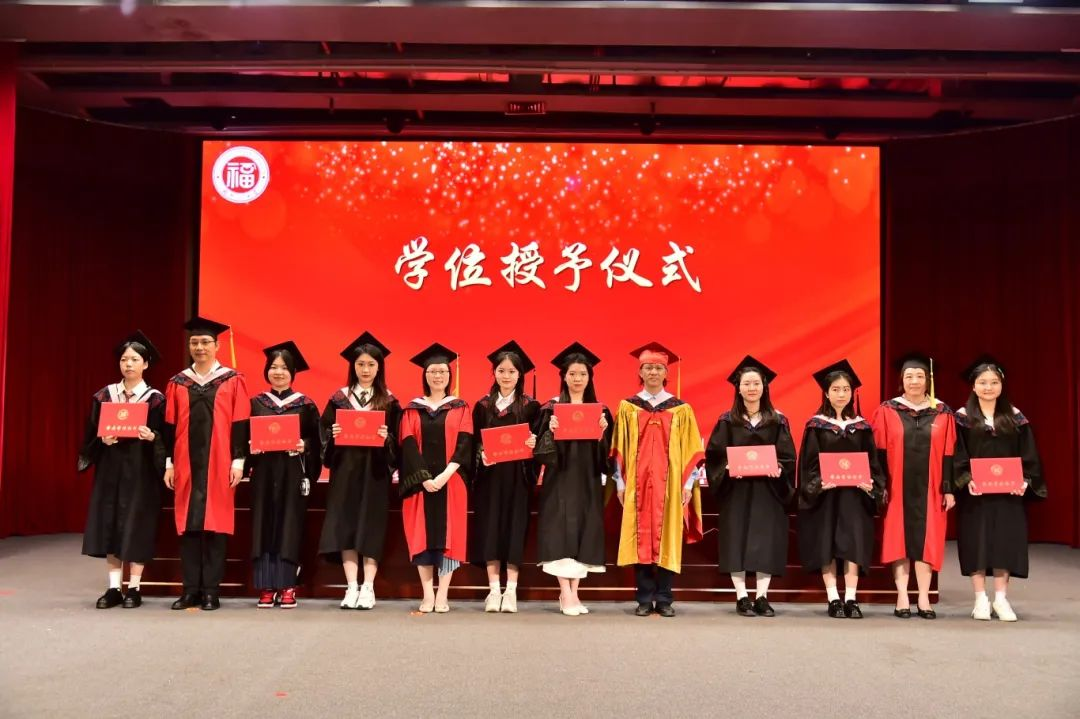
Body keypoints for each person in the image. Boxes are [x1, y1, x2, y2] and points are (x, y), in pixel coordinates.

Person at [610, 342, 704, 618]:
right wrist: (620, 483)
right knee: (639, 538)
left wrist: (687, 485)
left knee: (667, 538)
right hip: (636, 485)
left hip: (670, 486)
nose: (653, 372)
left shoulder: (681, 409)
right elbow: (617, 449)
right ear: (640, 372)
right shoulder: (628, 407)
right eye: (648, 367)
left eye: (658, 368)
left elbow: (692, 450)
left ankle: (664, 598)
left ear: (666, 373)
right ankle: (643, 598)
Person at [162, 316, 250, 611]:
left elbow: (240, 422)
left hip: (220, 462)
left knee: (216, 524)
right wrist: (169, 463)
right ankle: (190, 590)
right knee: (188, 527)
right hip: (185, 462)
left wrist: (239, 460)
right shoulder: (178, 382)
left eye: (205, 342)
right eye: (194, 342)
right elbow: (169, 425)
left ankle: (211, 590)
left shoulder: (232, 380)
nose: (199, 347)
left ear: (217, 346)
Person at [77, 330, 166, 609]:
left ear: (146, 364)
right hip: (111, 468)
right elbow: (89, 436)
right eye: (124, 359)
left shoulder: (156, 399)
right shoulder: (105, 396)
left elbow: (166, 437)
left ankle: (134, 588)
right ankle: (114, 587)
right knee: (111, 522)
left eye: (135, 359)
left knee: (137, 523)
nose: (128, 364)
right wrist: (101, 440)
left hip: (141, 470)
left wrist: (153, 437)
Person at [953, 355, 1045, 622]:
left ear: (1002, 385)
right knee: (977, 543)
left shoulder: (1015, 417)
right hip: (976, 494)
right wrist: (966, 479)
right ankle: (980, 599)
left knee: (1006, 542)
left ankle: (1001, 599)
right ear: (973, 386)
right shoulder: (962, 418)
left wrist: (1025, 480)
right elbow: (957, 455)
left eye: (994, 382)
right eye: (983, 382)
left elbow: (1029, 454)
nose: (988, 387)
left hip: (1008, 494)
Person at [705, 355, 796, 618]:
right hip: (737, 490)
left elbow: (788, 457)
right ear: (738, 388)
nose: (752, 388)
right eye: (746, 384)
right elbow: (714, 455)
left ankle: (762, 597)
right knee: (737, 539)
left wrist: (779, 469)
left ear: (764, 387)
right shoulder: (727, 420)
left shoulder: (777, 420)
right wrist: (726, 468)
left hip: (768, 490)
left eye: (756, 383)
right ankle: (742, 596)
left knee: (766, 541)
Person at [318, 332, 401, 610]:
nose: (365, 370)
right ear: (353, 366)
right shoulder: (339, 399)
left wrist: (387, 438)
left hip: (375, 474)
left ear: (379, 368)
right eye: (360, 364)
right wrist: (333, 435)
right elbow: (324, 438)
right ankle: (352, 585)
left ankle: (368, 587)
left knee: (371, 527)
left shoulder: (389, 401)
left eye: (371, 365)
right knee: (346, 526)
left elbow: (398, 443)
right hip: (345, 473)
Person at [796, 359, 885, 619]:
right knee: (827, 544)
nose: (841, 394)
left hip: (854, 496)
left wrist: (871, 484)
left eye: (846, 389)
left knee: (853, 544)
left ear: (852, 392)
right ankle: (833, 597)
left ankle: (851, 598)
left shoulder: (862, 427)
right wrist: (818, 483)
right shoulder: (816, 425)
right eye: (835, 389)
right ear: (826, 393)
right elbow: (808, 464)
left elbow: (873, 463)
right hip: (826, 496)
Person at [871, 352, 956, 619]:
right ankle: (902, 596)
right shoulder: (888, 411)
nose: (915, 381)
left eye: (920, 376)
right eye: (909, 376)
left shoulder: (943, 412)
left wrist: (949, 487)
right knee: (899, 540)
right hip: (897, 488)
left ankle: (924, 597)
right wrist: (881, 485)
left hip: (932, 489)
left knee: (927, 541)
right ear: (902, 380)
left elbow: (950, 453)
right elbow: (878, 452)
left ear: (928, 381)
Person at [533, 343, 612, 616]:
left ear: (590, 378)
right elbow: (538, 451)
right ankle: (564, 593)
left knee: (583, 533)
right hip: (559, 479)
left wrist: (602, 434)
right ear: (564, 376)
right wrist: (549, 431)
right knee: (559, 533)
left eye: (582, 374)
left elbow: (606, 457)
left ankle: (574, 593)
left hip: (587, 479)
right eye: (572, 374)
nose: (577, 379)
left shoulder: (600, 411)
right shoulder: (550, 409)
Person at [398, 343, 473, 613]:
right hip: (421, 484)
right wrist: (425, 478)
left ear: (449, 375)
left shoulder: (461, 407)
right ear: (425, 375)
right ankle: (427, 594)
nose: (438, 376)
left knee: (450, 537)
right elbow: (407, 444)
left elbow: (465, 443)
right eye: (433, 371)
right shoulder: (411, 409)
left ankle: (443, 594)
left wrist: (445, 475)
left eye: (442, 371)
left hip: (451, 482)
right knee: (422, 537)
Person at [246, 341, 322, 609]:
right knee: (264, 526)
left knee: (290, 526)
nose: (278, 372)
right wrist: (250, 449)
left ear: (293, 372)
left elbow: (317, 441)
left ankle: (288, 584)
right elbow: (243, 439)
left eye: (284, 368)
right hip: (264, 475)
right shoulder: (256, 403)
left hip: (292, 475)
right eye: (273, 367)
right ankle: (267, 585)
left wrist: (305, 446)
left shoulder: (305, 405)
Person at [470, 340, 540, 613]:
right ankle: (493, 590)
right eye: (501, 370)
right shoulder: (483, 406)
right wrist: (481, 455)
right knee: (490, 530)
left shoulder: (531, 406)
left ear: (520, 374)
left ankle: (511, 591)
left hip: (518, 479)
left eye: (512, 371)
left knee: (514, 530)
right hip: (490, 478)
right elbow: (474, 442)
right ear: (494, 373)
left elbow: (540, 441)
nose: (506, 376)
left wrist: (534, 443)